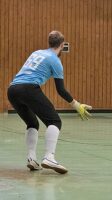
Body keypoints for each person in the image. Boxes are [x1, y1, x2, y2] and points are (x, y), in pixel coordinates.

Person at [7, 31, 92, 174]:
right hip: (29, 88)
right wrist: (76, 105)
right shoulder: (55, 61)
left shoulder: (36, 53)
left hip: (13, 89)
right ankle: (49, 157)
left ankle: (31, 158)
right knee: (55, 121)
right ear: (62, 45)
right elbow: (60, 90)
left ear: (49, 42)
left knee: (32, 123)